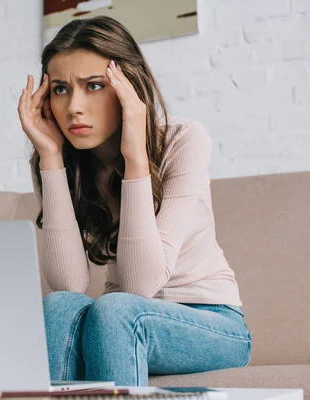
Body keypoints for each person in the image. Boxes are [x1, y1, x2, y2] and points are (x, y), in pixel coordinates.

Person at [16, 15, 252, 386]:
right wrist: (50, 157)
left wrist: (136, 156)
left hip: (212, 321)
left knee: (117, 312)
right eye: (60, 89)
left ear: (128, 86)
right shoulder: (61, 161)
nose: (74, 106)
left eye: (93, 85)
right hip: (116, 318)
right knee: (57, 307)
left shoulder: (183, 140)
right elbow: (68, 283)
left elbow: (141, 284)